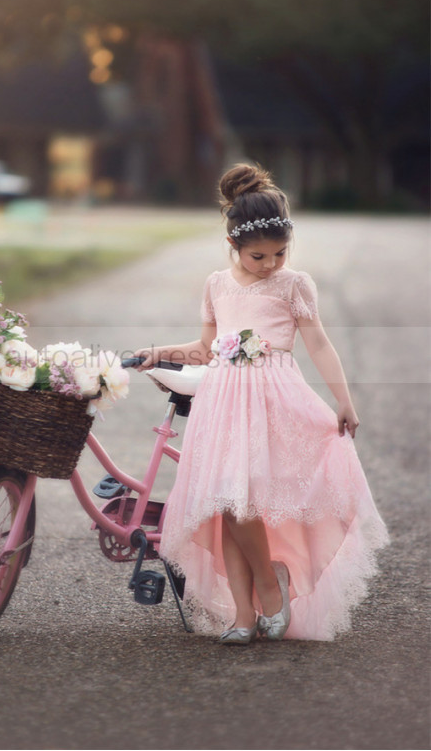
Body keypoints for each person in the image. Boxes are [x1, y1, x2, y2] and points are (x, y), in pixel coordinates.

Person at [134, 164, 389, 644]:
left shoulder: (294, 285)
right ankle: (243, 615)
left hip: (272, 400)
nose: (270, 264)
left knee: (243, 504)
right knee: (225, 506)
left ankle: (272, 586)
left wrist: (343, 400)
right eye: (258, 256)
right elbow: (206, 348)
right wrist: (160, 353)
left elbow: (317, 344)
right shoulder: (217, 284)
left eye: (279, 253)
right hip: (224, 400)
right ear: (232, 245)